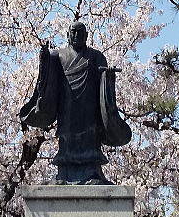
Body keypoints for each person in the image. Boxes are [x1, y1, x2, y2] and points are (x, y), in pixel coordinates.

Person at [19, 22, 131, 184]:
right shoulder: (58, 56)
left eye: (80, 32)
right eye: (74, 32)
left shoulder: (96, 56)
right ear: (67, 35)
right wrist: (45, 58)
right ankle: (64, 173)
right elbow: (49, 82)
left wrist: (108, 76)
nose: (77, 35)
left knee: (90, 138)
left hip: (89, 109)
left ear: (86, 35)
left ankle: (92, 172)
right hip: (67, 108)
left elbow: (103, 82)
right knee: (67, 139)